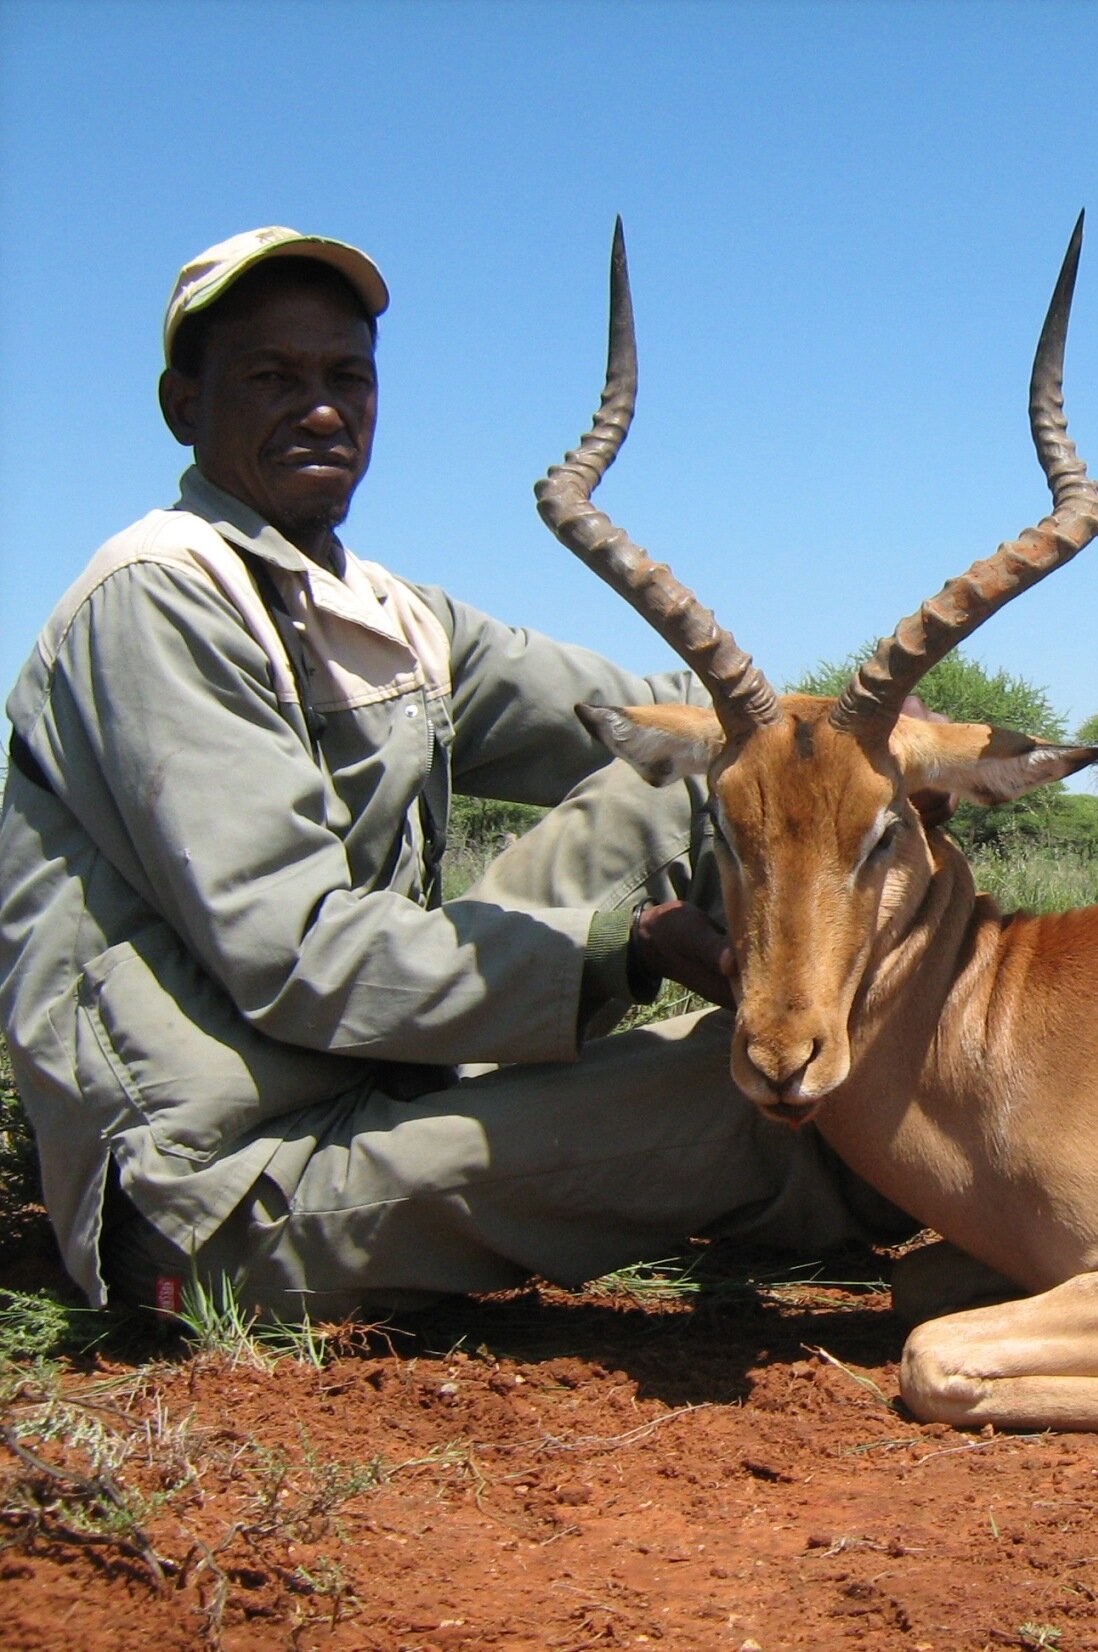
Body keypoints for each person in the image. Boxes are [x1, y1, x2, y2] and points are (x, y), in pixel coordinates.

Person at [0, 227, 907, 1320]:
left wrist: (880, 739)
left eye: (347, 377)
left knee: (699, 770)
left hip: (383, 1078)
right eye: (270, 378)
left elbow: (672, 716)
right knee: (754, 1103)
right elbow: (298, 958)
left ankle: (947, 1023)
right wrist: (632, 951)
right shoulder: (158, 596)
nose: (323, 408)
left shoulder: (382, 612)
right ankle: (947, 1159)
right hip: (227, 1184)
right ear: (183, 407)